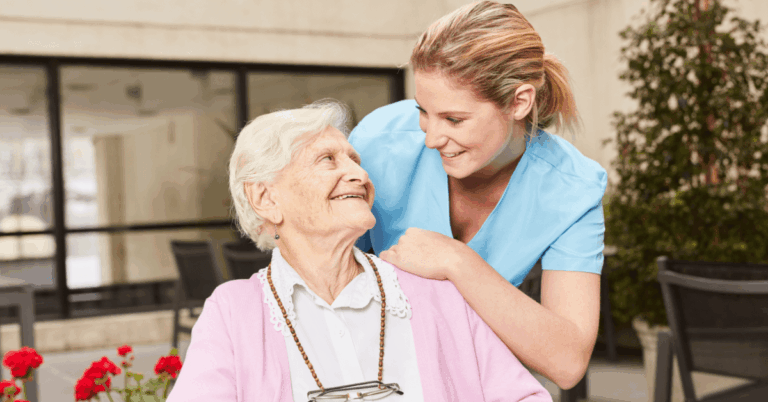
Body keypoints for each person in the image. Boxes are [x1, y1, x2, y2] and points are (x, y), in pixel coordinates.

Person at [167, 101, 551, 402]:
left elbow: (523, 396)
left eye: (355, 160)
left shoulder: (435, 292)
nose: (359, 174)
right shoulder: (234, 312)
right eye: (328, 160)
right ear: (266, 198)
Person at [349, 1, 607, 390]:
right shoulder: (379, 142)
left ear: (519, 102)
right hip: (362, 368)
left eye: (454, 119)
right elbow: (316, 271)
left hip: (466, 376)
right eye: (423, 111)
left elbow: (568, 360)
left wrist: (457, 261)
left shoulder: (573, 189)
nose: (432, 138)